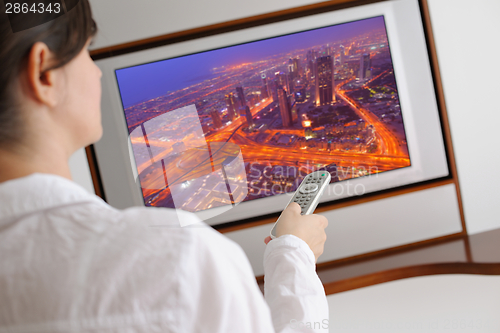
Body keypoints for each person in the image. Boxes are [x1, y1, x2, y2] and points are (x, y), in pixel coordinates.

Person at [0, 1, 329, 332]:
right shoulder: (178, 262)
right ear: (45, 74)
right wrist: (293, 256)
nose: (97, 70)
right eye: (88, 50)